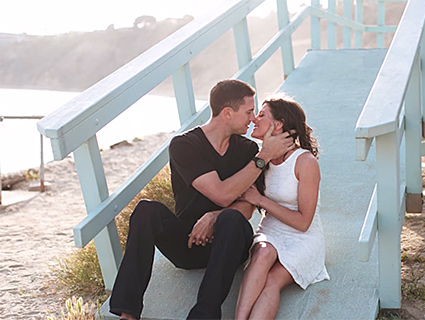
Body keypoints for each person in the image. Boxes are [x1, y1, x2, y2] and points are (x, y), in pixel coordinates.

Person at [109, 79, 295, 320]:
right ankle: (128, 313)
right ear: (227, 113)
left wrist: (213, 216)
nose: (252, 119)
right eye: (249, 112)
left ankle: (204, 315)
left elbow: (248, 206)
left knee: (230, 217)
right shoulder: (185, 145)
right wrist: (264, 157)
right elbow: (222, 193)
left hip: (230, 242)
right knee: (146, 210)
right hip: (188, 243)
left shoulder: (248, 150)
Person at [234, 97, 330, 320]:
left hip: (303, 237)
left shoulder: (305, 162)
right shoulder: (260, 158)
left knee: (272, 281)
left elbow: (303, 222)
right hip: (271, 231)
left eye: (262, 115)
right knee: (263, 252)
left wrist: (260, 200)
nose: (255, 119)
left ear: (278, 124)